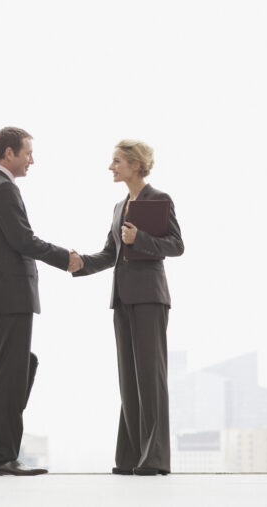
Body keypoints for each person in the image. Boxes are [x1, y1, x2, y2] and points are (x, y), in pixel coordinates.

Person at [0, 126, 83, 476]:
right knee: (10, 378)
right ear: (8, 153)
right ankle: (1, 458)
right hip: (12, 294)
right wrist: (67, 258)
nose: (32, 160)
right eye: (27, 153)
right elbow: (23, 240)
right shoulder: (3, 189)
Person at [72, 139, 184, 475]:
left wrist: (142, 240)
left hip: (150, 298)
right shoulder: (118, 207)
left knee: (150, 378)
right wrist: (80, 264)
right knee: (129, 380)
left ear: (135, 164)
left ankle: (155, 459)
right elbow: (111, 253)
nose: (111, 167)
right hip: (122, 299)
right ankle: (132, 456)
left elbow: (176, 245)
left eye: (117, 161)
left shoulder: (158, 199)